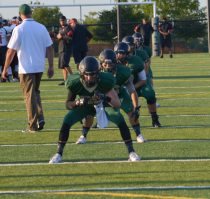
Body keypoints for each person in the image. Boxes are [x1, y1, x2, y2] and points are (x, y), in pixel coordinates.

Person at [49, 56, 140, 163]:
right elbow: (68, 104)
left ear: (98, 73)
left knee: (119, 118)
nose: (88, 78)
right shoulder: (75, 82)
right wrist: (78, 102)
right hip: (85, 106)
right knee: (67, 119)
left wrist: (105, 97)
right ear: (81, 74)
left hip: (104, 105)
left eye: (92, 74)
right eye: (86, 74)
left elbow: (117, 104)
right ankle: (58, 153)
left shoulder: (105, 81)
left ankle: (131, 152)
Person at [1, 4, 54, 132]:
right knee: (35, 92)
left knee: (29, 96)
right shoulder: (41, 27)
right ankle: (40, 117)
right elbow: (50, 48)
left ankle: (32, 125)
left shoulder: (19, 29)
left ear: (20, 15)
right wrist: (51, 66)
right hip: (39, 66)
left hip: (26, 68)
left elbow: (10, 51)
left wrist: (4, 70)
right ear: (31, 13)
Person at [115, 42, 161, 127]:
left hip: (138, 85)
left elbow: (143, 80)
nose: (119, 55)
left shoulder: (136, 61)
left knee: (150, 93)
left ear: (127, 54)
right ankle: (100, 121)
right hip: (120, 88)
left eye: (121, 53)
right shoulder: (111, 63)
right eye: (117, 53)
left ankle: (155, 119)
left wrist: (131, 88)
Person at [57, 15, 73, 86]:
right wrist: (57, 37)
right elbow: (58, 37)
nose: (62, 22)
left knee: (65, 64)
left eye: (63, 20)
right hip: (61, 48)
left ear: (65, 20)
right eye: (61, 20)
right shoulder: (60, 28)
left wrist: (62, 36)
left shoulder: (69, 28)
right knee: (62, 66)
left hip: (66, 48)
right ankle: (65, 80)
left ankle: (73, 77)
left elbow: (70, 38)